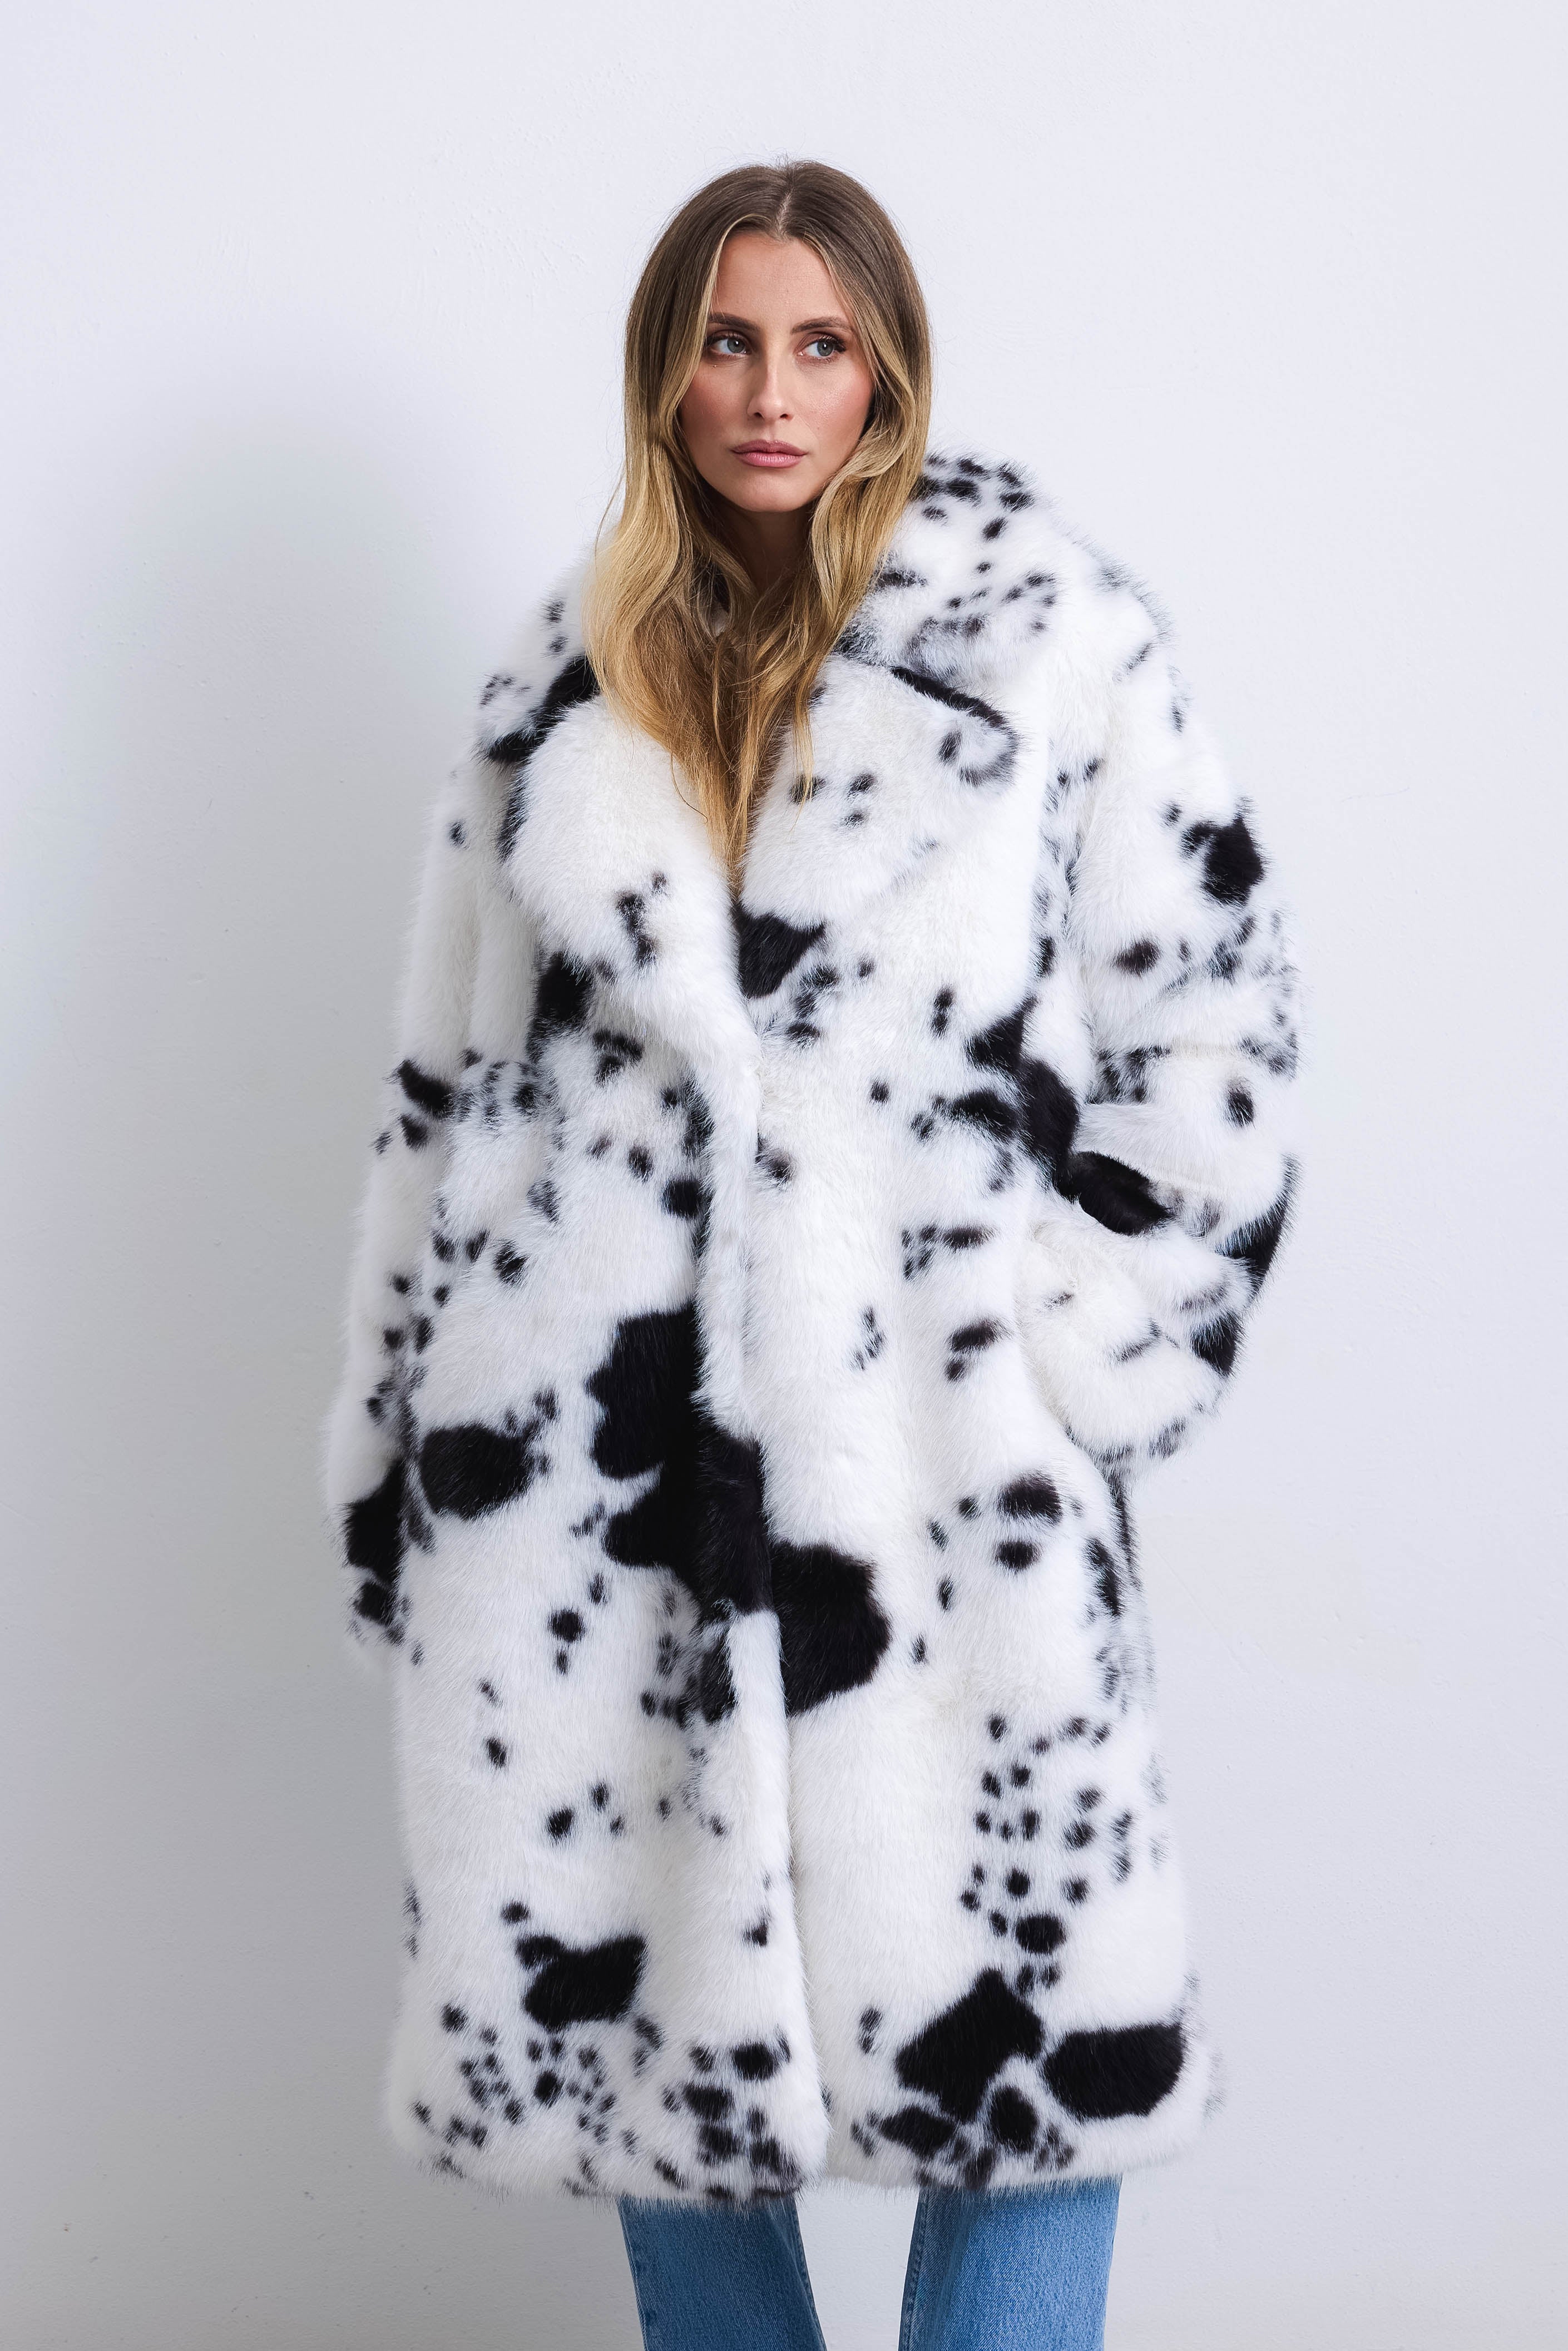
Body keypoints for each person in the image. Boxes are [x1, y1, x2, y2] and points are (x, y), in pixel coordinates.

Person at [323, 160, 1299, 2351]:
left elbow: (1215, 1017)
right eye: (727, 341)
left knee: (1039, 2045)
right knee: (643, 2057)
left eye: (821, 343)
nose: (772, 392)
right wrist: (407, 1453)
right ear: (666, 372)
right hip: (607, 1481)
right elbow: (443, 1091)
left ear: (888, 369)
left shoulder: (1045, 637)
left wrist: (1076, 1328)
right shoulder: (563, 680)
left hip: (947, 1471)